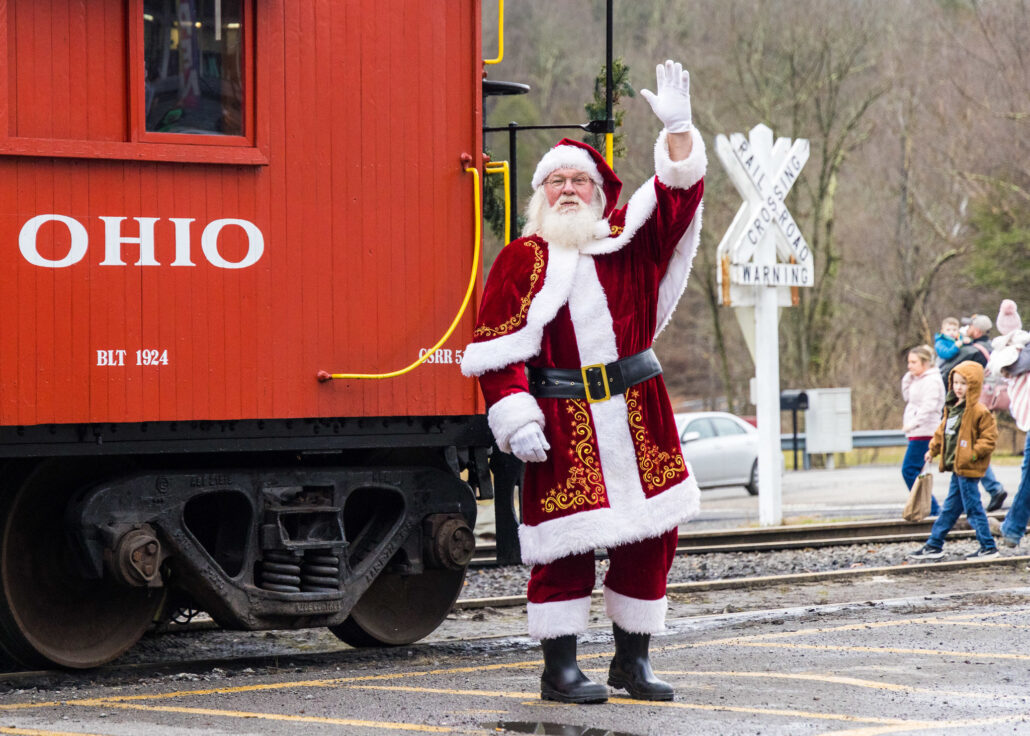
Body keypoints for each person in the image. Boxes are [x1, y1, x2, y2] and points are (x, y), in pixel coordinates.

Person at [461, 60, 706, 704]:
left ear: (600, 194)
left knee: (652, 537)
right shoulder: (523, 259)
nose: (568, 189)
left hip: (638, 408)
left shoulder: (629, 242)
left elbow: (677, 199)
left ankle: (633, 660)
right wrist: (514, 414)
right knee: (564, 544)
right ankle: (560, 668)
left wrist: (678, 131)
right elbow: (497, 349)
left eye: (580, 181)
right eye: (557, 181)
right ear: (541, 195)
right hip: (563, 415)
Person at [908, 361, 1000, 561]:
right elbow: (942, 432)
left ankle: (988, 547)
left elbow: (989, 439)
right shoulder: (953, 407)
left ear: (974, 385)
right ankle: (934, 545)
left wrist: (972, 454)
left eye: (964, 384)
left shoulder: (979, 412)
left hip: (968, 469)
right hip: (957, 469)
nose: (958, 387)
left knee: (973, 508)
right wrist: (933, 449)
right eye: (956, 383)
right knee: (950, 509)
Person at [901, 345, 945, 515]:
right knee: (917, 471)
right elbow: (907, 397)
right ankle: (928, 508)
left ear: (925, 363)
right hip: (917, 432)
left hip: (925, 431)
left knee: (909, 470)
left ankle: (933, 508)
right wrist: (908, 377)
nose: (909, 366)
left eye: (913, 362)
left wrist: (914, 423)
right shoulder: (917, 379)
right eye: (909, 362)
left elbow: (929, 407)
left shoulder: (932, 380)